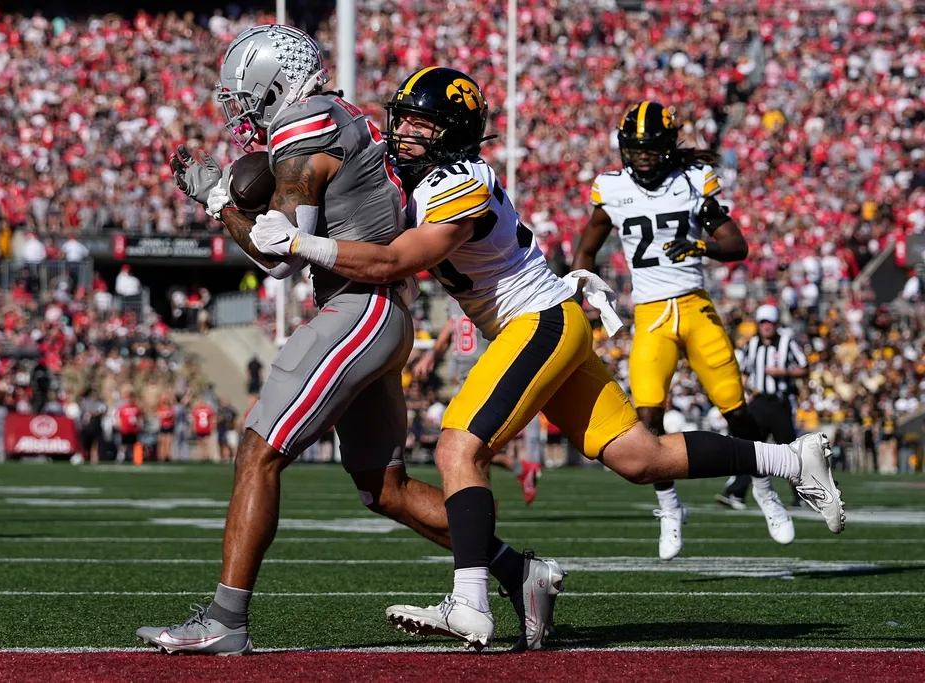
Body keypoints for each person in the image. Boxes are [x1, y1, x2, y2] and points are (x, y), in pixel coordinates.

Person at [250, 67, 845, 650]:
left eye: (422, 125)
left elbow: (394, 262)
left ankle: (471, 603)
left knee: (460, 446)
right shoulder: (422, 174)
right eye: (402, 120)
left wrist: (302, 242)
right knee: (642, 458)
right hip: (542, 322)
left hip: (537, 321)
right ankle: (791, 459)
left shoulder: (461, 180)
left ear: (453, 133)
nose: (405, 133)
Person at [138, 27, 555, 656]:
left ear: (276, 84)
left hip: (358, 309)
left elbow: (276, 256)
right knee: (380, 487)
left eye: (246, 94)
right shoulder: (336, 114)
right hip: (382, 315)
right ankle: (519, 574)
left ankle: (225, 622)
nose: (241, 107)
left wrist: (220, 200)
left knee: (258, 450)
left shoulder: (301, 133)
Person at [571, 101, 792, 559]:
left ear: (668, 148)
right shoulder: (611, 189)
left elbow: (737, 245)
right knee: (647, 420)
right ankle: (670, 507)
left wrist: (699, 244)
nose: (643, 158)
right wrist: (582, 290)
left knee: (736, 413)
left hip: (694, 308)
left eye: (651, 150)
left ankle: (764, 488)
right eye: (636, 150)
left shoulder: (692, 183)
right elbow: (586, 247)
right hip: (651, 315)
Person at [414, 297, 542, 504]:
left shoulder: (482, 289)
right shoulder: (451, 297)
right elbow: (452, 326)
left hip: (483, 372)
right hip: (464, 376)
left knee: (467, 445)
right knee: (470, 446)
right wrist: (432, 355)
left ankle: (497, 489)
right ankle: (500, 488)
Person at [718, 305, 808, 513]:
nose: (766, 326)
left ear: (776, 324)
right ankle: (736, 493)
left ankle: (803, 496)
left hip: (779, 403)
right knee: (749, 449)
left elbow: (804, 368)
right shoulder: (753, 344)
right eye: (763, 323)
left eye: (769, 322)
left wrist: (783, 372)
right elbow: (745, 372)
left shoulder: (787, 343)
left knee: (791, 451)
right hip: (757, 403)